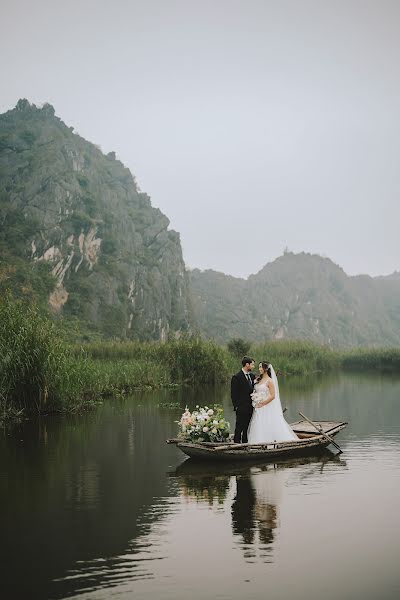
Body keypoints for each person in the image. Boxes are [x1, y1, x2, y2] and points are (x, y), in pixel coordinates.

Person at [247, 362, 298, 443]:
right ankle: (258, 442)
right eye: (259, 367)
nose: (259, 369)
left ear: (266, 369)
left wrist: (262, 403)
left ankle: (270, 441)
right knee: (259, 425)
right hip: (258, 407)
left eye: (260, 367)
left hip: (266, 406)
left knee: (267, 423)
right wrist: (256, 399)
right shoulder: (258, 380)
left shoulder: (270, 381)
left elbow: (273, 396)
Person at [231, 356, 256, 443]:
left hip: (250, 407)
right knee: (239, 427)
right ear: (247, 364)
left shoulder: (252, 376)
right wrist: (236, 406)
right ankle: (236, 444)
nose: (253, 367)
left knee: (246, 427)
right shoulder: (236, 377)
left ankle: (245, 443)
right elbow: (233, 394)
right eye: (252, 365)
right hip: (241, 407)